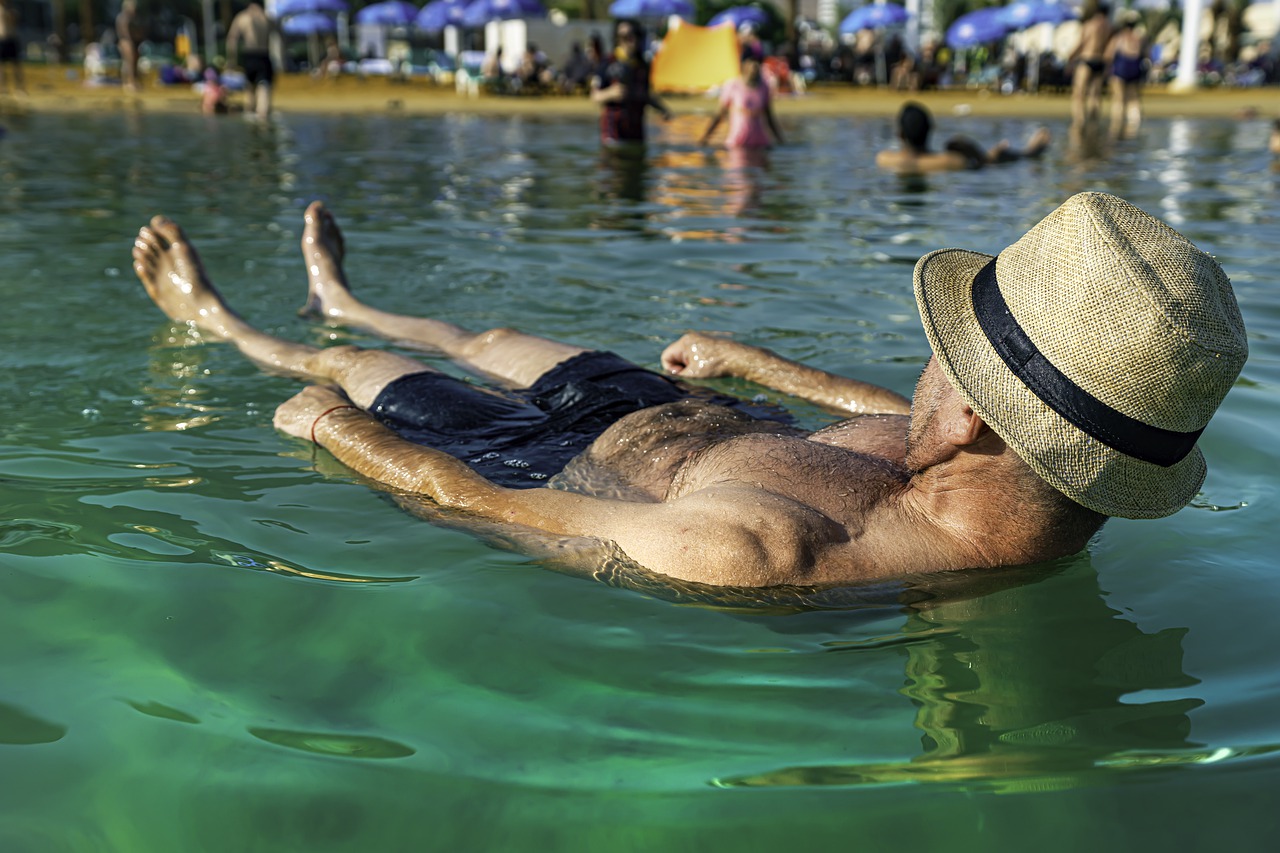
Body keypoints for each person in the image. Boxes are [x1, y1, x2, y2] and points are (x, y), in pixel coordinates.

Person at [130, 192, 1246, 588]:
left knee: (361, 377)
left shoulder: (758, 556)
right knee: (488, 329)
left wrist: (334, 427)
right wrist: (757, 366)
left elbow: (479, 504)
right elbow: (896, 419)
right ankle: (348, 295)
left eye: (939, 355)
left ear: (962, 410)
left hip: (540, 465)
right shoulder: (1020, 491)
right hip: (685, 417)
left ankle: (237, 325)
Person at [876, 102, 1050, 174]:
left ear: (899, 134)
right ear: (931, 129)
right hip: (963, 164)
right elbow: (984, 164)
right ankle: (1031, 151)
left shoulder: (884, 158)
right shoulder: (951, 161)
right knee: (996, 158)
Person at [591, 19, 672, 145]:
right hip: (614, 130)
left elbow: (646, 94)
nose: (630, 39)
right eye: (624, 36)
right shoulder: (607, 63)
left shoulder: (643, 66)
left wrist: (662, 109)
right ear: (617, 39)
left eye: (634, 34)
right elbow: (595, 96)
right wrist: (610, 93)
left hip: (636, 130)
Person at [700, 54, 784, 149]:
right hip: (737, 143)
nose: (754, 66)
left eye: (757, 63)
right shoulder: (732, 85)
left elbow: (769, 117)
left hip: (760, 143)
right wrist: (705, 138)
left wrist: (781, 140)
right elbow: (719, 116)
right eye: (751, 62)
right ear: (744, 66)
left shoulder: (764, 87)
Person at [226, 1, 274, 120]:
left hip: (249, 54)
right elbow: (278, 35)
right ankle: (263, 115)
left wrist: (232, 60)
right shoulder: (266, 17)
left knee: (249, 86)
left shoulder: (243, 17)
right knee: (264, 86)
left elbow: (232, 39)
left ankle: (249, 113)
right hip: (263, 54)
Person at [1069, 2, 1113, 126]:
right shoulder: (1109, 27)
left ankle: (1079, 123)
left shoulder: (1090, 25)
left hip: (1087, 60)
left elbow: (1081, 43)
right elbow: (1110, 48)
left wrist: (1070, 57)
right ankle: (1094, 124)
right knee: (1095, 95)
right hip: (1100, 62)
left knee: (1079, 94)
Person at [1106, 9, 1146, 138]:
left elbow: (1109, 54)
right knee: (1134, 99)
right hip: (1135, 67)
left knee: (1118, 99)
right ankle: (1134, 127)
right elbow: (1145, 55)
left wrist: (1106, 69)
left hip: (1121, 67)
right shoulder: (1139, 38)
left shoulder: (1119, 37)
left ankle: (1116, 126)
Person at [116, 0, 144, 92]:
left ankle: (133, 81)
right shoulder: (123, 18)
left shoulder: (133, 18)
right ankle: (128, 82)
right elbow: (125, 33)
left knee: (134, 62)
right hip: (126, 42)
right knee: (128, 63)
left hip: (132, 42)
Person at [0, 0, 25, 96]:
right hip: (1, 39)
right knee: (1, 67)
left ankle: (20, 88)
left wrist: (10, 13)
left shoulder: (12, 10)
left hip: (11, 39)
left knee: (16, 66)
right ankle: (3, 88)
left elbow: (15, 22)